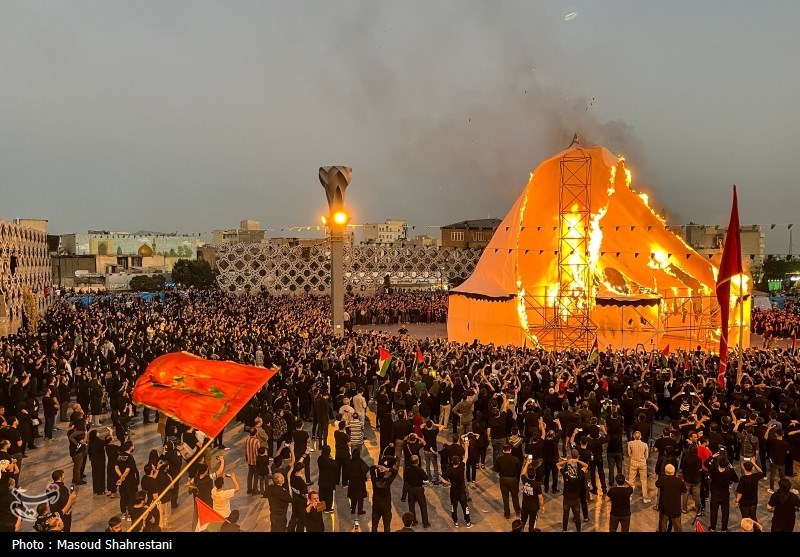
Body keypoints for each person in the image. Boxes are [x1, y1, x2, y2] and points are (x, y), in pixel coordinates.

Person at [442, 444, 472, 528]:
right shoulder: (461, 467)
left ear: (452, 462)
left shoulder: (449, 471)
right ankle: (468, 522)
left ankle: (455, 522)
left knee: (453, 506)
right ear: (459, 462)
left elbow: (441, 478)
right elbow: (466, 457)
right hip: (462, 490)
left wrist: (448, 483)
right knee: (464, 506)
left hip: (453, 491)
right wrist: (466, 446)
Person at [556, 450, 587, 532]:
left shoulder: (565, 474)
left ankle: (564, 530)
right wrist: (577, 460)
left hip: (566, 498)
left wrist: (567, 460)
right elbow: (586, 466)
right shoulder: (579, 475)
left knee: (565, 515)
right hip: (576, 498)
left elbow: (557, 464)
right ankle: (578, 530)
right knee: (577, 516)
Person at [706, 455, 738, 532]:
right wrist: (732, 469)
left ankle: (713, 527)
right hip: (724, 495)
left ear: (718, 463)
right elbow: (736, 479)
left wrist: (712, 457)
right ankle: (724, 528)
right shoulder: (729, 473)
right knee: (725, 512)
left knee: (714, 512)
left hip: (715, 494)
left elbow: (705, 463)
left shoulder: (713, 470)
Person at [655, 463, 686, 532]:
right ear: (674, 471)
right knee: (677, 526)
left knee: (662, 526)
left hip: (664, 508)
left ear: (665, 471)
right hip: (675, 508)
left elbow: (657, 484)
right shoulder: (679, 481)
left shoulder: (662, 479)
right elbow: (685, 490)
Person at [370, 460, 399, 532]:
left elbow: (371, 468)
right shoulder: (387, 482)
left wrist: (377, 466)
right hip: (386, 507)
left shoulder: (374, 481)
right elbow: (395, 472)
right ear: (384, 474)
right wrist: (387, 469)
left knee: (374, 526)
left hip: (376, 507)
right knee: (387, 526)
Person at [403, 454, 430, 528]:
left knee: (411, 506)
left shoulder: (407, 469)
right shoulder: (419, 470)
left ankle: (413, 521)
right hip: (418, 489)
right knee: (423, 506)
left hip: (410, 488)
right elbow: (425, 478)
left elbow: (405, 479)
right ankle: (425, 523)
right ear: (417, 462)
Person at [519, 455, 544, 532]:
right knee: (532, 524)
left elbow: (522, 473)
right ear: (535, 475)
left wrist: (527, 463)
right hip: (534, 507)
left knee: (522, 522)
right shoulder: (537, 484)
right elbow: (540, 497)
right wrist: (542, 506)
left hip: (525, 505)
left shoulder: (525, 480)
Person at [496, 443, 521, 519]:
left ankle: (507, 514)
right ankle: (517, 511)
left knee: (505, 497)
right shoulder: (515, 459)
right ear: (511, 450)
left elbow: (496, 469)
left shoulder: (499, 459)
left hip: (503, 480)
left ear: (503, 450)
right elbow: (518, 470)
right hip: (513, 479)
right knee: (515, 497)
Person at [627, 431, 650, 504]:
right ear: (640, 436)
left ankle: (629, 496)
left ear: (633, 436)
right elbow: (646, 456)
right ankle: (645, 498)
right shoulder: (645, 445)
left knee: (631, 480)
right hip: (642, 464)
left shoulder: (630, 443)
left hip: (633, 463)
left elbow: (629, 454)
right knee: (643, 480)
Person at [347, 447, 369, 516]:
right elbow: (366, 468)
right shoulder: (360, 461)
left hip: (352, 483)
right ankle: (360, 510)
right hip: (359, 482)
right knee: (360, 498)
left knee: (353, 497)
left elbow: (347, 472)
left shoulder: (350, 462)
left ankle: (353, 509)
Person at [317, 445, 338, 513]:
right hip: (329, 481)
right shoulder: (331, 461)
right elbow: (336, 467)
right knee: (329, 495)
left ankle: (320, 508)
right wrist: (331, 458)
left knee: (321, 494)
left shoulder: (320, 459)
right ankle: (328, 508)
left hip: (322, 480)